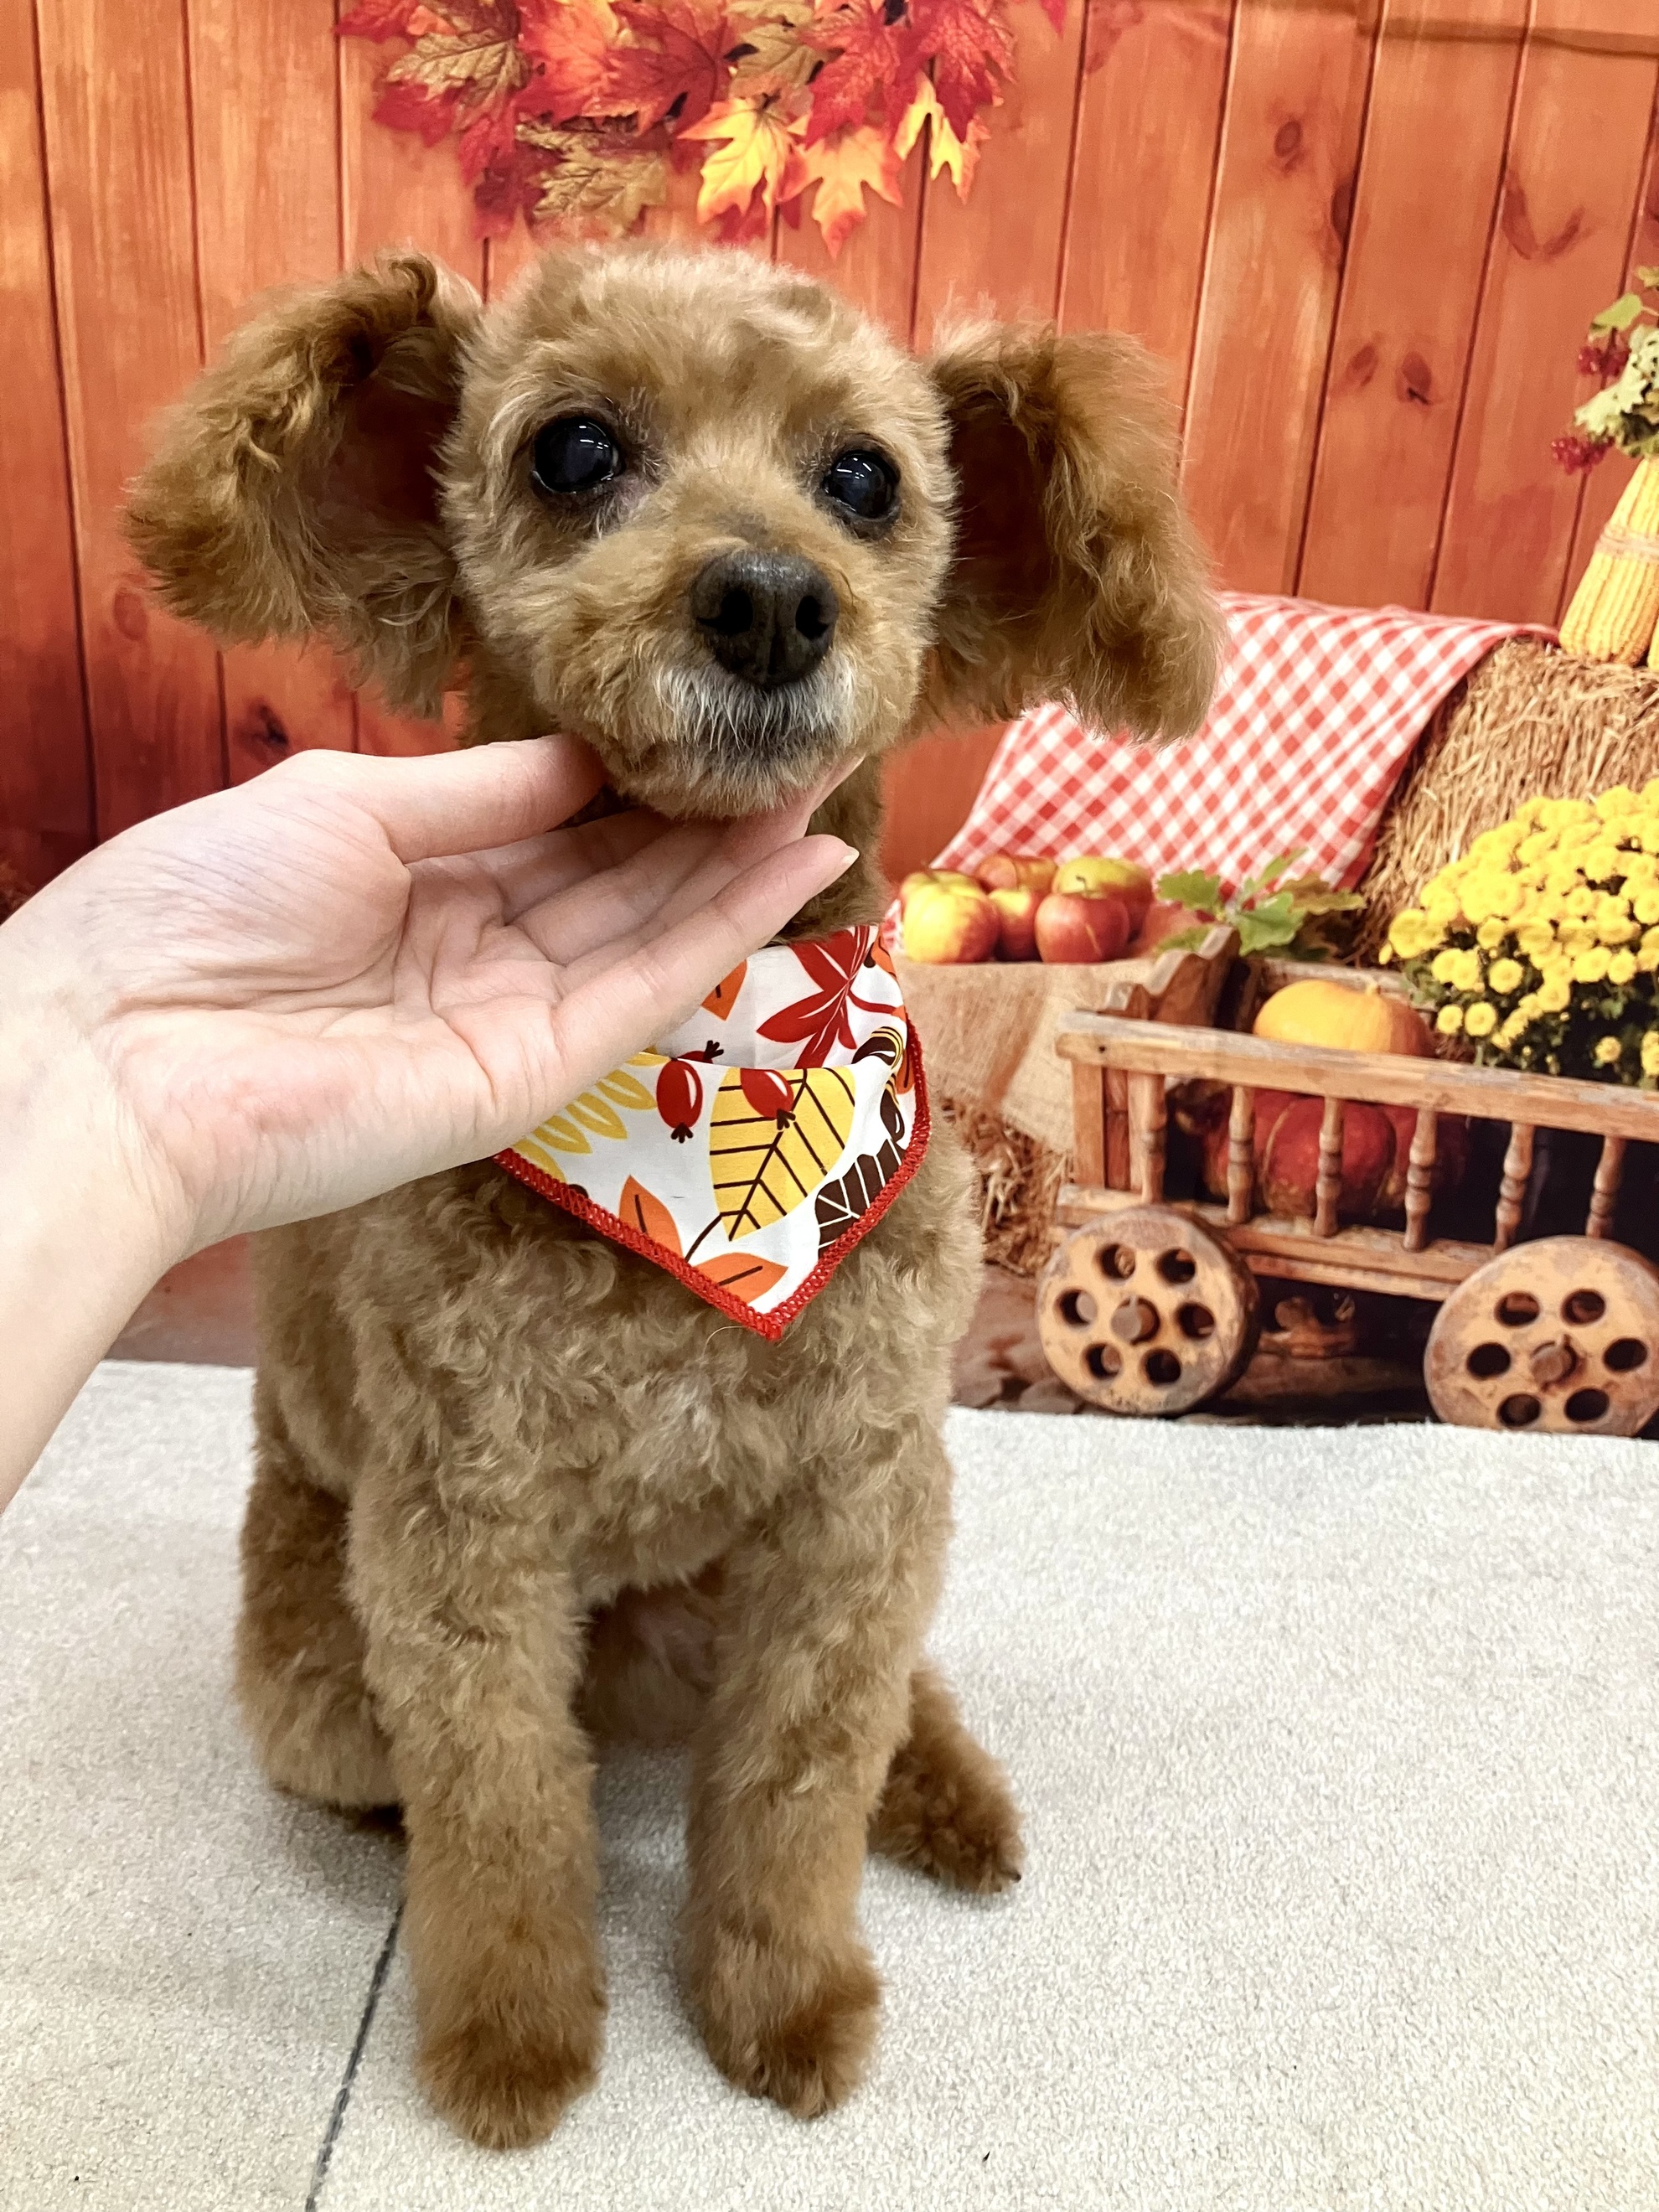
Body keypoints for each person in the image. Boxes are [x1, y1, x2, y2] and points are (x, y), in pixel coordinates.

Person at [0, 736, 858, 1509]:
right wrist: (98, 1038)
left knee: (859, 1498)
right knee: (447, 1512)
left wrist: (93, 1048)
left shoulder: (868, 1091)